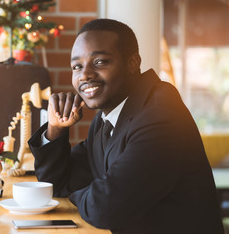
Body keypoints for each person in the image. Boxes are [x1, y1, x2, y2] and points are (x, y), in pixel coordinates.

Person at [28, 19, 224, 234]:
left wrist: (78, 194)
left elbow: (103, 209)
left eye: (100, 62)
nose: (85, 75)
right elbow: (59, 184)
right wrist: (56, 128)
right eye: (77, 66)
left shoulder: (161, 114)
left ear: (132, 63)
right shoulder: (107, 117)